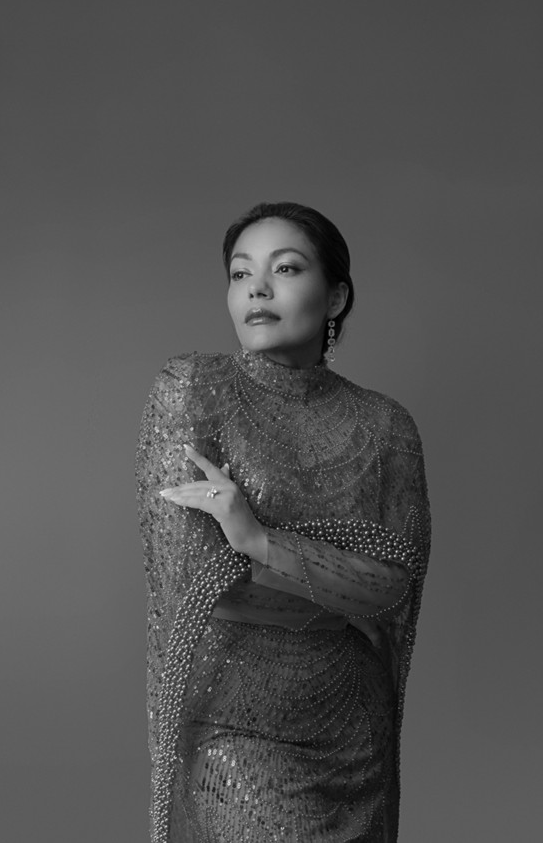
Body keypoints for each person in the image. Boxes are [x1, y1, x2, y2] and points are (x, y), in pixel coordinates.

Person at [136, 202, 430, 843]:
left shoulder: (386, 427)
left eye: (286, 269)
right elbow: (199, 582)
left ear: (336, 297)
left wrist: (256, 540)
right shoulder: (193, 389)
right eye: (241, 275)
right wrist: (337, 574)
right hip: (237, 719)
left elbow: (392, 588)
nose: (257, 290)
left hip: (354, 729)